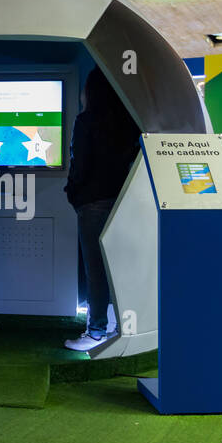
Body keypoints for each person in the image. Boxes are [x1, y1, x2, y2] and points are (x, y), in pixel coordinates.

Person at [63, 67, 141, 352]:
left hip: (92, 202)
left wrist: (73, 192)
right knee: (118, 268)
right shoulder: (127, 123)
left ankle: (96, 330)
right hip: (121, 200)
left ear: (90, 91)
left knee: (95, 269)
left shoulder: (86, 121)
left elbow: (79, 164)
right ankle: (123, 329)